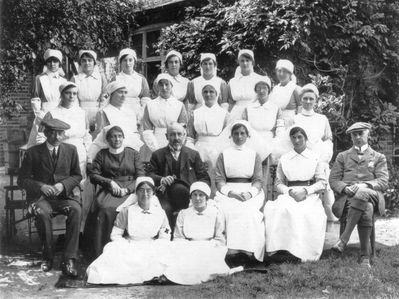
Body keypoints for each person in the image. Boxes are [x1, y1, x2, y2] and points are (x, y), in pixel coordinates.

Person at [18, 118, 82, 277]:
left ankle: (69, 259)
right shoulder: (33, 152)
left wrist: (63, 185)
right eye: (53, 133)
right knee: (42, 213)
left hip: (64, 197)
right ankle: (48, 256)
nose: (57, 137)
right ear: (46, 133)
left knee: (76, 210)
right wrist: (41, 186)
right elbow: (22, 180)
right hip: (41, 199)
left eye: (60, 133)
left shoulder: (71, 150)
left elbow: (77, 175)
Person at [86, 177, 172, 285]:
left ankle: (155, 275)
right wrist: (125, 245)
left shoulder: (160, 212)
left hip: (151, 245)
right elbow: (116, 234)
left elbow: (166, 232)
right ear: (136, 193)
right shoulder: (127, 211)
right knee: (113, 250)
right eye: (141, 190)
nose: (145, 194)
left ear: (153, 193)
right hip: (132, 245)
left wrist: (160, 243)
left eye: (148, 190)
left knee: (167, 251)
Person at [329, 122, 388, 268]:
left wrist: (364, 185)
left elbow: (383, 181)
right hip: (348, 198)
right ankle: (365, 258)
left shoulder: (378, 157)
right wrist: (344, 188)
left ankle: (343, 239)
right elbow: (333, 180)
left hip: (373, 194)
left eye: (361, 133)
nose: (357, 136)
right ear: (351, 137)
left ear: (368, 133)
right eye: (354, 134)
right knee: (366, 207)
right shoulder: (343, 156)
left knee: (362, 193)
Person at [264, 127, 327, 262]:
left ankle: (301, 252)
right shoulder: (285, 158)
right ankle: (280, 249)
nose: (297, 140)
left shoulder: (315, 157)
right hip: (290, 193)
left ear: (306, 138)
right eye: (294, 137)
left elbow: (322, 182)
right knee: (277, 209)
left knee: (306, 213)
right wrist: (289, 191)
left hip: (308, 194)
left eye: (300, 137)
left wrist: (305, 191)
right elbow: (278, 183)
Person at [84, 126, 145, 259]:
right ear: (107, 139)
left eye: (119, 136)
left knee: (132, 209)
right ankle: (104, 252)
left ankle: (130, 252)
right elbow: (94, 175)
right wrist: (109, 183)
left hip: (131, 189)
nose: (116, 139)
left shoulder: (133, 153)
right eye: (113, 136)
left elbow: (141, 176)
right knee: (106, 209)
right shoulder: (102, 154)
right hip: (109, 190)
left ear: (123, 138)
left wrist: (128, 189)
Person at [214, 121, 266, 265]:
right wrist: (231, 193)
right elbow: (219, 180)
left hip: (250, 191)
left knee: (249, 212)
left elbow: (258, 179)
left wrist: (250, 194)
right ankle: (232, 252)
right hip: (228, 192)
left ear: (248, 135)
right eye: (236, 133)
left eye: (242, 133)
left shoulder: (254, 155)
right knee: (230, 210)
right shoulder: (223, 154)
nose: (239, 136)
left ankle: (248, 252)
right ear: (230, 136)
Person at [164, 181, 232, 285]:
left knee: (207, 261)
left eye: (201, 195)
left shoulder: (216, 213)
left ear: (206, 198)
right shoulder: (183, 214)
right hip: (189, 247)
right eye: (194, 195)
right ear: (191, 197)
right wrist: (187, 246)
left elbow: (220, 238)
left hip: (209, 246)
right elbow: (178, 237)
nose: (197, 198)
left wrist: (210, 245)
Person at [148, 122, 210, 228]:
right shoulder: (158, 155)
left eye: (179, 134)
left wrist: (196, 191)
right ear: (166, 136)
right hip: (165, 196)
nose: (176, 138)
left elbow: (204, 178)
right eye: (172, 134)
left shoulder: (193, 154)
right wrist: (162, 179)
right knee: (163, 211)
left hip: (188, 196)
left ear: (184, 135)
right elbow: (149, 175)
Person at [292, 83, 336, 220]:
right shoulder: (295, 119)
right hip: (300, 158)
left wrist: (324, 156)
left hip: (319, 157)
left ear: (316, 100)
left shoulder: (322, 119)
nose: (308, 101)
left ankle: (330, 214)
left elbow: (328, 139)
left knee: (325, 179)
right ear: (301, 100)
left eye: (311, 99)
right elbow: (290, 140)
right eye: (305, 98)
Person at [36, 82, 92, 181]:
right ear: (61, 94)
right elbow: (41, 136)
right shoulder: (52, 113)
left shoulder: (82, 113)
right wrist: (46, 156)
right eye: (68, 93)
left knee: (79, 182)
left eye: (74, 93)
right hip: (59, 154)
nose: (71, 96)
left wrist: (89, 155)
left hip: (80, 153)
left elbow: (86, 136)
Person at [242, 76, 284, 194]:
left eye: (264, 88)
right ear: (255, 90)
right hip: (252, 143)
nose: (261, 91)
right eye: (259, 88)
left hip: (269, 143)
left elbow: (280, 128)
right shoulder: (248, 108)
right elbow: (243, 127)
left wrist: (274, 144)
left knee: (267, 176)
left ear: (269, 90)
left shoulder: (275, 108)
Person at [186, 83, 230, 194]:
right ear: (202, 95)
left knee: (216, 175)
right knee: (199, 175)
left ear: (217, 94)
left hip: (218, 147)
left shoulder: (224, 114)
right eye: (205, 92)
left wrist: (220, 151)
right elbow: (190, 136)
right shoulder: (195, 113)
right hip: (199, 147)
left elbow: (227, 136)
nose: (208, 94)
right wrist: (193, 151)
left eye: (211, 92)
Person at [89, 81, 143, 160]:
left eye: (125, 92)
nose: (123, 95)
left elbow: (135, 132)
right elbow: (101, 137)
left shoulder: (130, 112)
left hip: (130, 150)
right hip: (111, 153)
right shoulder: (103, 112)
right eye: (120, 92)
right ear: (112, 94)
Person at [141, 73, 188, 161]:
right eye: (161, 84)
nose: (164, 87)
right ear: (157, 86)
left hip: (175, 141)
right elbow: (147, 130)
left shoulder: (179, 105)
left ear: (171, 85)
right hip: (155, 141)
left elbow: (183, 129)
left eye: (167, 84)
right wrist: (156, 149)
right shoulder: (150, 105)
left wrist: (176, 146)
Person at [27, 49, 67, 148]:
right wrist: (39, 115)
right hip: (44, 113)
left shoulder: (64, 80)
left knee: (59, 140)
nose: (52, 64)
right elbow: (35, 99)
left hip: (59, 113)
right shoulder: (40, 78)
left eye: (55, 61)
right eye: (49, 61)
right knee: (42, 141)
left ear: (59, 63)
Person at [71, 50, 107, 132]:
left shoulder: (101, 78)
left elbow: (105, 95)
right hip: (81, 111)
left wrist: (101, 111)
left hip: (98, 110)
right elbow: (73, 99)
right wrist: (79, 113)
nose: (87, 63)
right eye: (83, 61)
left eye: (89, 60)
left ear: (94, 62)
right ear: (80, 63)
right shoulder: (75, 79)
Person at [113, 48, 151, 123]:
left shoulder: (141, 78)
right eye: (124, 60)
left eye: (130, 60)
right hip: (120, 114)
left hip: (137, 114)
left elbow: (145, 100)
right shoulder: (115, 78)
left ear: (134, 61)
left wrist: (141, 115)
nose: (128, 63)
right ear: (120, 62)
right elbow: (111, 99)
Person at [226, 49, 263, 121]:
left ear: (252, 62)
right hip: (236, 114)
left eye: (247, 60)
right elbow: (231, 102)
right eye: (242, 61)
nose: (245, 63)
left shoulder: (259, 79)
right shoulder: (233, 81)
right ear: (238, 62)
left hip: (254, 113)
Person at [269, 59, 301, 127]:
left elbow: (300, 107)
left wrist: (297, 124)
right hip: (276, 121)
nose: (281, 74)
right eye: (279, 71)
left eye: (284, 71)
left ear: (290, 74)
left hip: (290, 122)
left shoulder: (295, 88)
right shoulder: (275, 89)